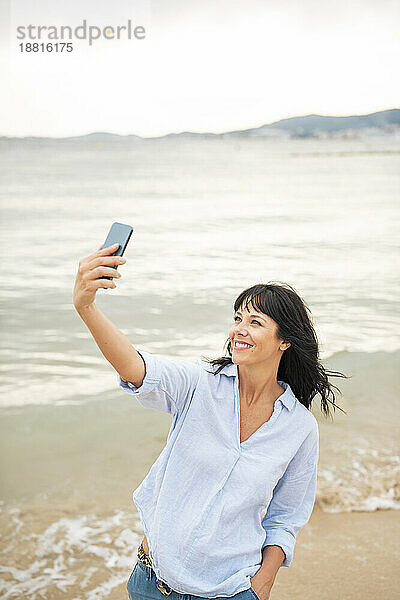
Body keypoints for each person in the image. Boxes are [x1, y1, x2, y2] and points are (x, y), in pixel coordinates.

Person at [73, 243, 347, 600]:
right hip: (153, 584)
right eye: (237, 319)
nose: (239, 330)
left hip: (231, 590)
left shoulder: (298, 428)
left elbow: (286, 516)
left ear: (284, 342)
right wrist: (87, 307)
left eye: (255, 322)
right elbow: (136, 367)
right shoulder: (199, 383)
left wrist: (262, 585)